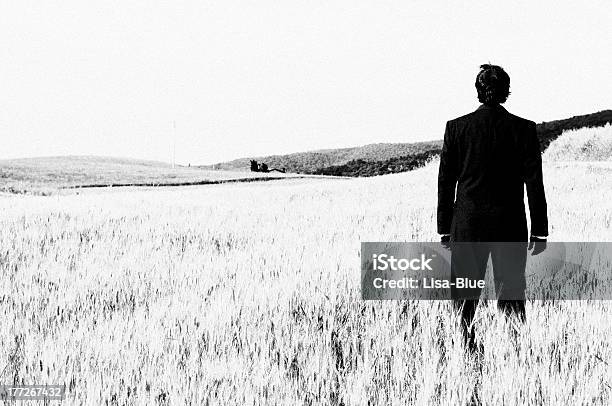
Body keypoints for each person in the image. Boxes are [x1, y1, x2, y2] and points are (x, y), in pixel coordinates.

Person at [437, 64, 548, 352]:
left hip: (467, 224)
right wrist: (539, 231)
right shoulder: (524, 129)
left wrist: (444, 229)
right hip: (509, 224)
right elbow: (534, 183)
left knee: (464, 294)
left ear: (477, 91)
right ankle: (514, 352)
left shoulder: (456, 128)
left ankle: (466, 349)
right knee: (511, 293)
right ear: (506, 91)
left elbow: (446, 184)